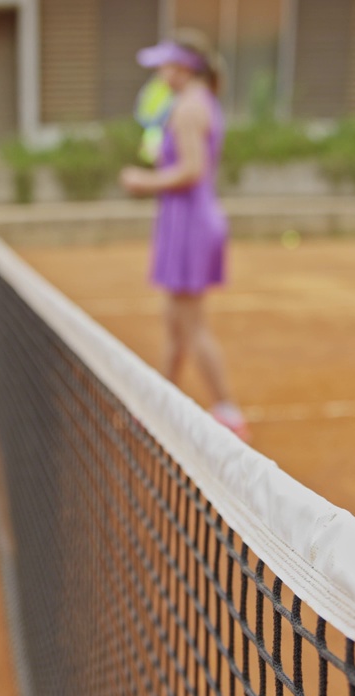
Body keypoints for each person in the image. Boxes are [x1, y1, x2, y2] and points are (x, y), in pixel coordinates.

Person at [119, 30, 249, 441]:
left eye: (164, 65)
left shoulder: (189, 109)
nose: (159, 73)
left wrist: (144, 180)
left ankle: (228, 412)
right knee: (174, 323)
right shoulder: (192, 104)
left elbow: (192, 170)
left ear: (184, 68)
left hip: (191, 223)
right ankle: (162, 404)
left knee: (191, 325)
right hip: (186, 222)